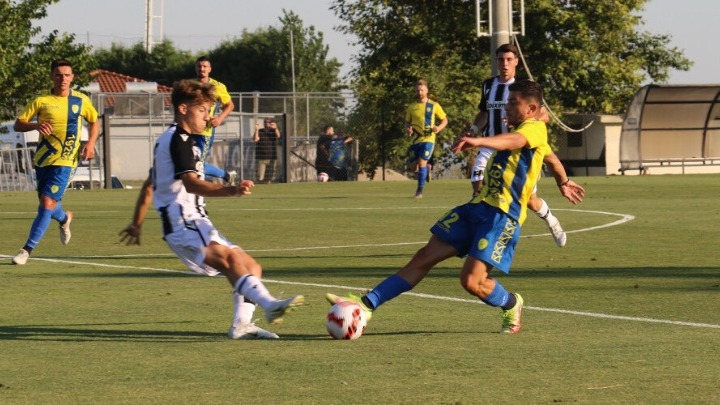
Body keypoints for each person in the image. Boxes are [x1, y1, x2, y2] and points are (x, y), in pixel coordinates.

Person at [326, 80, 585, 334]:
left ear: (531, 109)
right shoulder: (528, 135)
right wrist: (563, 182)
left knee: (471, 281)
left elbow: (515, 140)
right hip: (476, 208)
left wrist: (480, 141)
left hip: (502, 218)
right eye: (507, 101)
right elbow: (552, 159)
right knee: (424, 257)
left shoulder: (534, 129)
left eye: (513, 103)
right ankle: (366, 304)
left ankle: (511, 303)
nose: (506, 107)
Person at [143, 80, 303, 339]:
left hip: (195, 220)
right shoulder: (178, 140)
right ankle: (270, 305)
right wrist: (231, 190)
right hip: (183, 221)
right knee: (231, 261)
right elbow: (191, 184)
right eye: (202, 110)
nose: (208, 117)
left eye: (209, 111)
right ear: (183, 109)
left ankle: (242, 324)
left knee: (251, 267)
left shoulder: (184, 140)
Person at [468, 43, 568, 247]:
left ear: (516, 61)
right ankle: (480, 232)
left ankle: (551, 220)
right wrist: (474, 129)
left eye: (508, 60)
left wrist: (523, 124)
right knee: (477, 180)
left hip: (517, 152)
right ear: (496, 62)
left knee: (530, 200)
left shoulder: (524, 87)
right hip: (490, 145)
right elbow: (484, 113)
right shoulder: (488, 85)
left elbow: (544, 116)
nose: (504, 64)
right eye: (500, 60)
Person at [11, 59, 100, 265]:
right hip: (43, 159)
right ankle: (64, 218)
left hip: (67, 159)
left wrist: (90, 143)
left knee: (46, 203)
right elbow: (18, 124)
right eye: (59, 75)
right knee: (48, 205)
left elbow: (94, 121)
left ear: (72, 78)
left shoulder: (81, 100)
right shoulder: (41, 101)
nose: (63, 79)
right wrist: (35, 125)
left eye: (67, 75)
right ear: (52, 77)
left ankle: (26, 250)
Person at [193, 56, 237, 185]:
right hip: (189, 130)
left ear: (210, 69)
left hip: (205, 132)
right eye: (199, 66)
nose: (202, 69)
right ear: (195, 68)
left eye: (204, 66)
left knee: (198, 165)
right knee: (186, 162)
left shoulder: (217, 86)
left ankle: (226, 176)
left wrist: (219, 118)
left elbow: (230, 105)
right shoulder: (191, 86)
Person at [405, 79, 448, 198]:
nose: (419, 93)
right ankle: (428, 169)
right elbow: (407, 122)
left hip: (429, 139)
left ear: (427, 90)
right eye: (417, 90)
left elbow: (445, 120)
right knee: (414, 167)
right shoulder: (412, 107)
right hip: (416, 140)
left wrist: (438, 128)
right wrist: (408, 129)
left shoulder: (434, 105)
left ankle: (419, 191)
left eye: (422, 90)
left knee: (421, 163)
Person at [253, 118, 281, 183]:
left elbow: (278, 136)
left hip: (271, 157)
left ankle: (269, 185)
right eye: (265, 122)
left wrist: (276, 128)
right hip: (261, 157)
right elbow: (256, 139)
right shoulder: (260, 131)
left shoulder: (273, 131)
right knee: (260, 177)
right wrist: (256, 130)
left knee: (270, 177)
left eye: (268, 122)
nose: (267, 123)